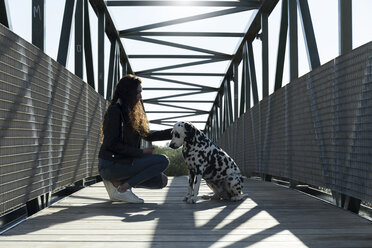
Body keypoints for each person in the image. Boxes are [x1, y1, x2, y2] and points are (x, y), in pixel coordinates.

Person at [98, 74, 172, 203]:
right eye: (138, 92)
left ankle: (118, 183)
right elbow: (111, 144)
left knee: (162, 181)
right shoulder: (115, 111)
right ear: (128, 92)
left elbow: (148, 135)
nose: (140, 96)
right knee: (162, 161)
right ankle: (123, 189)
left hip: (125, 163)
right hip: (111, 165)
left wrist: (175, 132)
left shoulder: (131, 113)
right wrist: (141, 152)